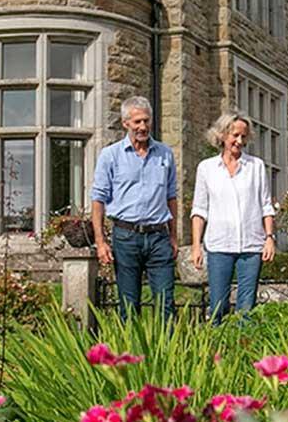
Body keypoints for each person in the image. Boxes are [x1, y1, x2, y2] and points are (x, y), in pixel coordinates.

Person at [90, 95, 181, 320]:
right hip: (126, 236)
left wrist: (174, 236)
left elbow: (171, 197)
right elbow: (98, 200)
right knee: (128, 306)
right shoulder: (110, 156)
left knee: (166, 304)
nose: (143, 126)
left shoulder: (165, 154)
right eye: (137, 121)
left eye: (146, 121)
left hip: (159, 237)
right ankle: (129, 354)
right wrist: (100, 242)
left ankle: (164, 353)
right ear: (125, 123)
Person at [189, 112, 275, 323]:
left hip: (251, 246)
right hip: (219, 245)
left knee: (247, 309)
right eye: (235, 135)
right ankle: (216, 351)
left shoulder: (256, 167)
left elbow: (266, 205)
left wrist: (269, 238)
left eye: (244, 137)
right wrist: (196, 245)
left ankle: (245, 350)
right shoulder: (207, 168)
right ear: (222, 135)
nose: (239, 141)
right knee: (218, 305)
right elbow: (199, 210)